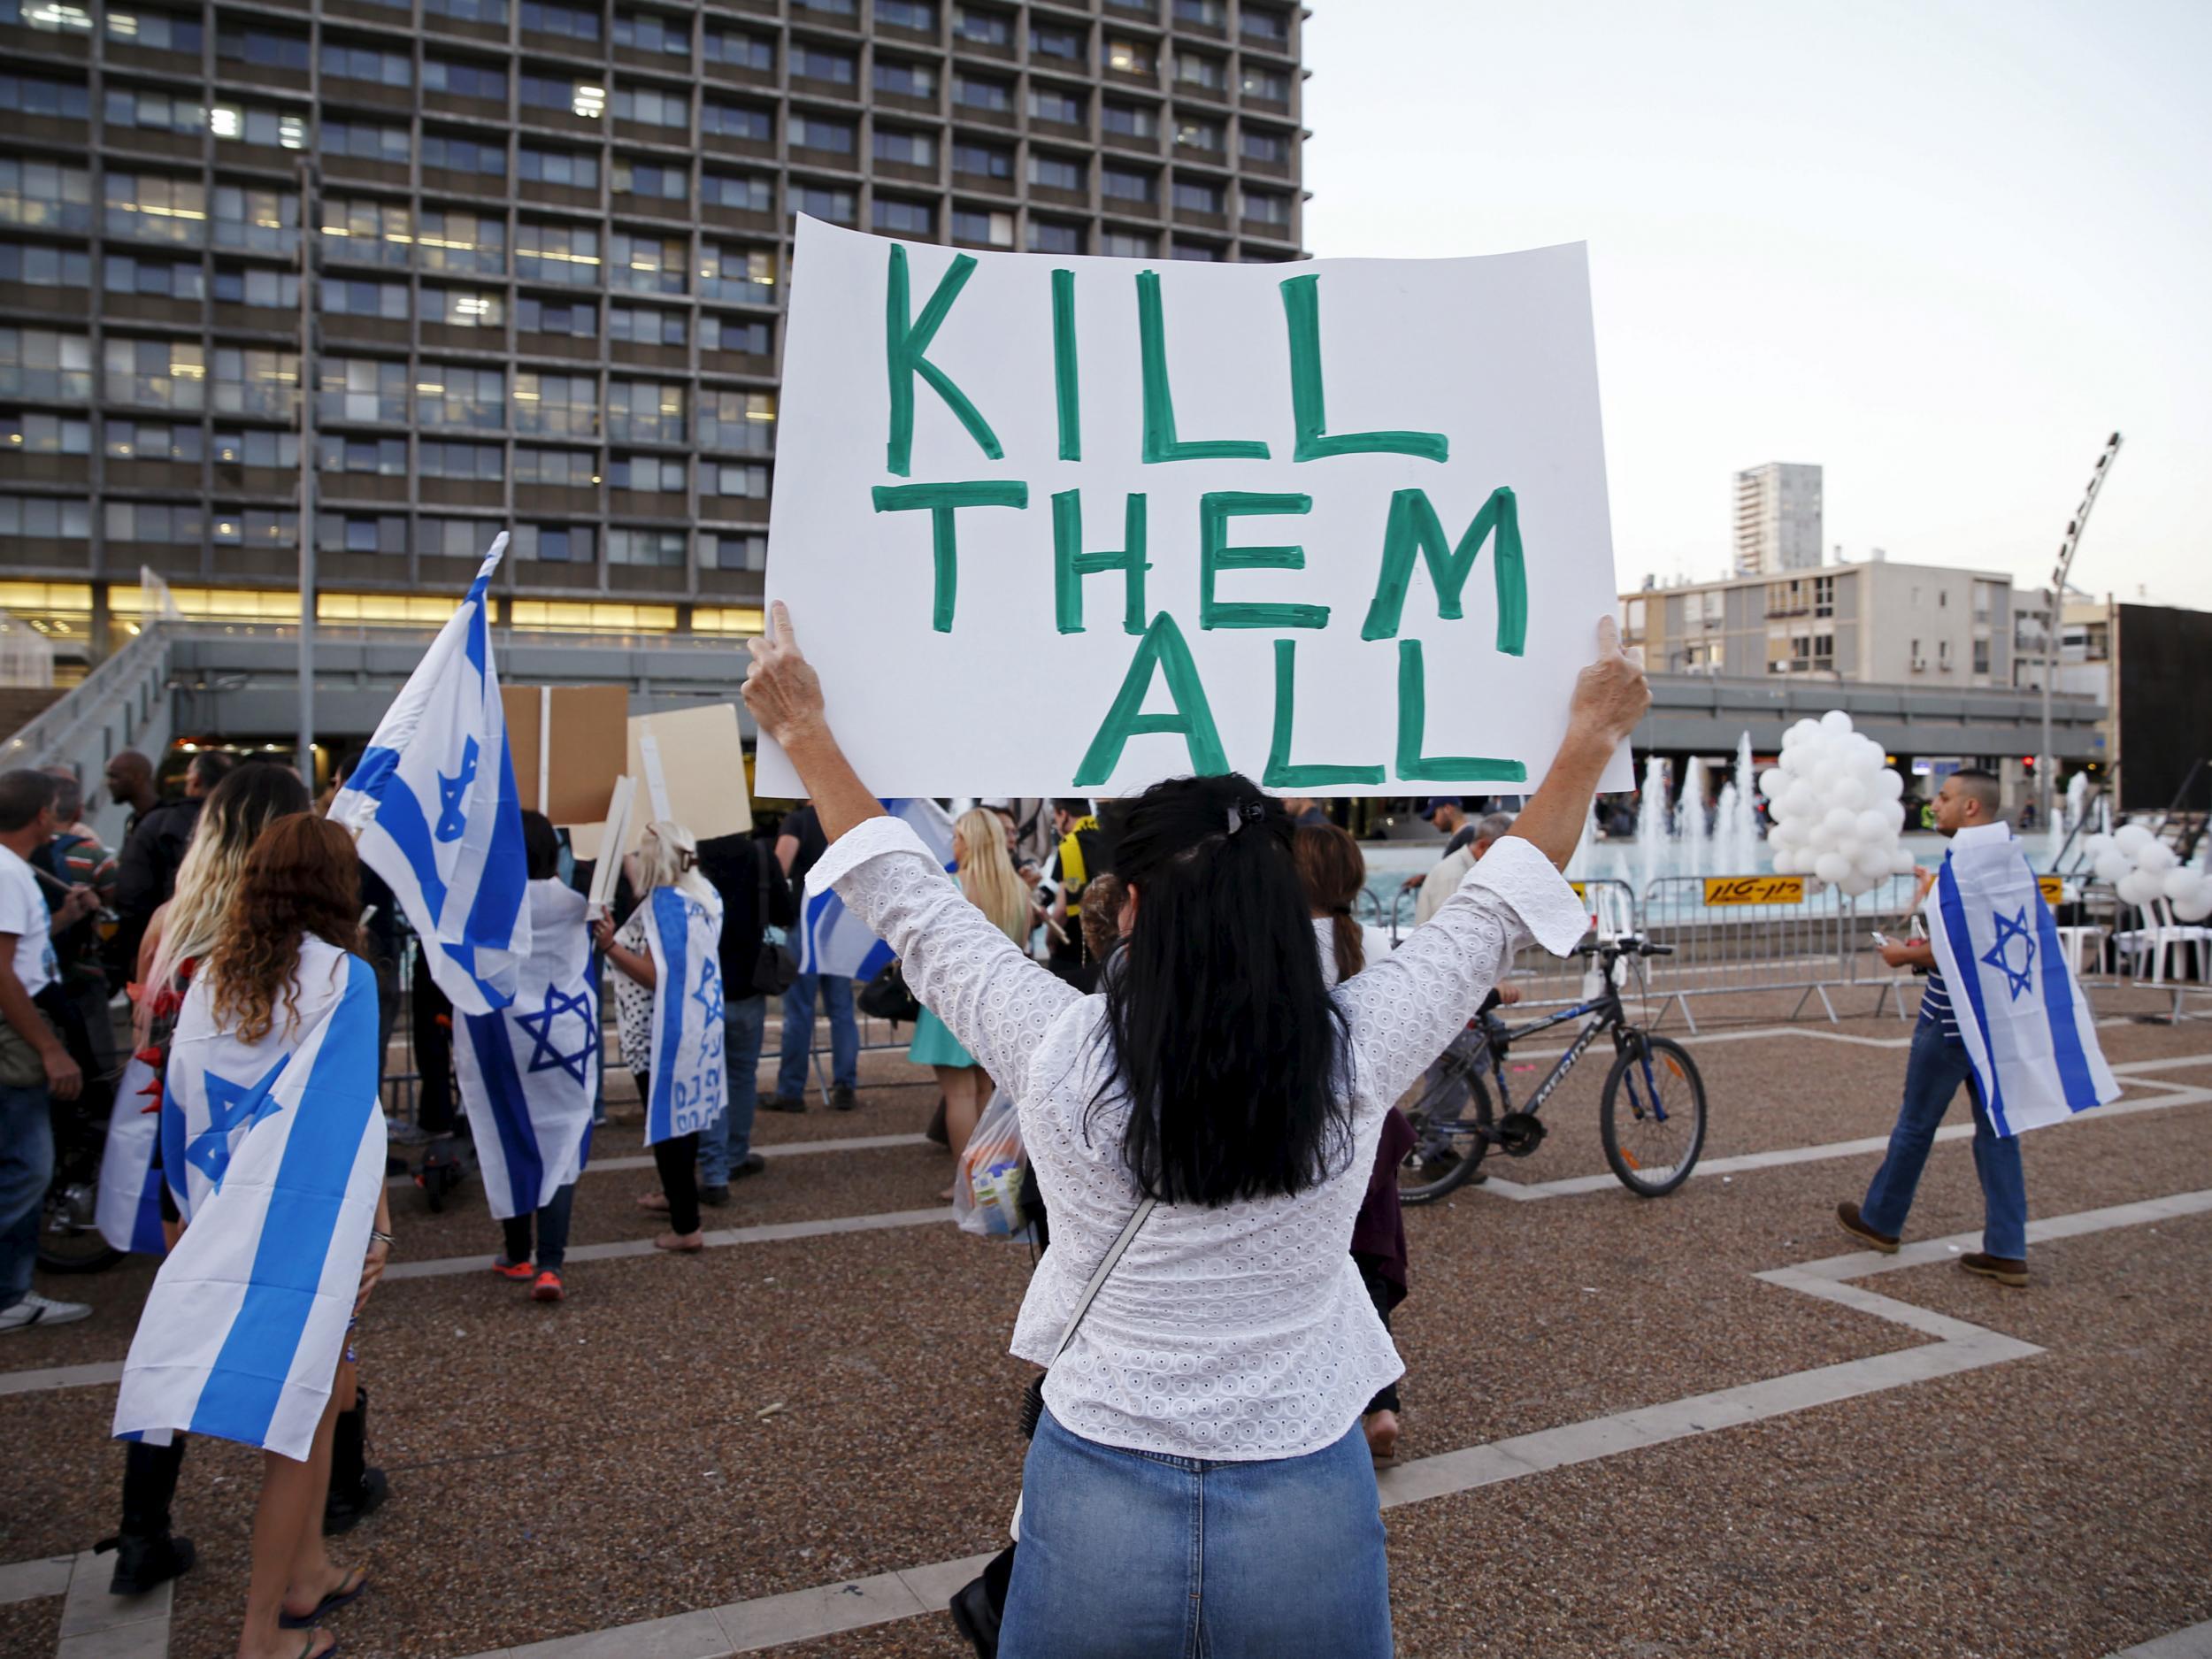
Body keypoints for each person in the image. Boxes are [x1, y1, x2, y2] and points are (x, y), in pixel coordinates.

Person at [741, 603, 1647, 1658]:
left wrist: (803, 728)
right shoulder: (1355, 1047)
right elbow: (1497, 904)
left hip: (1097, 1471)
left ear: (1125, 910)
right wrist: (1589, 737)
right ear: (1283, 905)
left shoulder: (1055, 1043)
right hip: (1304, 1464)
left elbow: (906, 898)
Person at [114, 811, 392, 1659]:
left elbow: (183, 1107)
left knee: (322, 1400)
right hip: (308, 1226)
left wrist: (192, 1217)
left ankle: (305, 1568)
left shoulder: (211, 977)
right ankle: (260, 1631)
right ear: (337, 886)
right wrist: (377, 1232)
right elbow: (354, 1117)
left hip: (223, 1215)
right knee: (303, 1420)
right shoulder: (345, 975)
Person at [100, 764, 346, 1590]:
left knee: (178, 1327)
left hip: (187, 1156)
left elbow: (149, 1039)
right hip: (274, 1167)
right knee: (322, 1327)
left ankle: (142, 1529)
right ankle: (337, 1491)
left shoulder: (175, 923)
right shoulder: (287, 938)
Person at [1839, 768, 2031, 1286]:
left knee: (1916, 1124)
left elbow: (1955, 947)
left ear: (1971, 807)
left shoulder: (1966, 862)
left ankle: (1882, 1220)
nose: (1935, 806)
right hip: (1998, 1017)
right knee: (1999, 1132)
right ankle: (2009, 1248)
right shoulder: (2010, 857)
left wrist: (1903, 955)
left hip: (1950, 1018)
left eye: (1944, 798)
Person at [1294, 825, 1415, 1466]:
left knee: (1317, 1264)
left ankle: (1330, 1402)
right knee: (1369, 1264)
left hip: (1309, 1127)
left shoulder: (1275, 947)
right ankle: (1382, 1403)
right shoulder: (1371, 940)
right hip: (1374, 1125)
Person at [463, 812, 597, 1301]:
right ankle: (551, 1265)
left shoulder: (490, 907)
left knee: (510, 1134)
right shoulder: (577, 904)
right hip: (564, 1036)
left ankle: (516, 1253)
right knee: (560, 1140)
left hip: (503, 1040)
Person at [595, 821, 727, 1253]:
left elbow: (656, 975)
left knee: (670, 1130)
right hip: (698, 1028)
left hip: (661, 1034)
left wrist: (612, 947)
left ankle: (686, 1226)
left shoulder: (663, 904)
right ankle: (677, 1198)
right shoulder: (704, 896)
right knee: (683, 1124)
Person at [0, 770, 99, 1335]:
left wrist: (64, 916)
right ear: (43, 815)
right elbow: (5, 972)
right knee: (27, 1167)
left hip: (22, 1022)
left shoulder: (12, 873)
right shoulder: (10, 874)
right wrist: (48, 1048)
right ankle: (10, 1293)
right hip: (18, 1031)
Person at [912, 809, 1035, 1194]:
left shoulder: (950, 888)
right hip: (1000, 1001)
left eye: (958, 837)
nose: (954, 844)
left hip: (953, 1000)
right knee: (985, 1094)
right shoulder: (1019, 890)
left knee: (959, 1095)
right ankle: (990, 1182)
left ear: (968, 842)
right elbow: (1024, 948)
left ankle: (968, 1185)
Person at [695, 826, 795, 1202]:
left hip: (701, 986)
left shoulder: (694, 853)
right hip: (749, 983)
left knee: (706, 1078)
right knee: (740, 1076)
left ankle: (712, 1164)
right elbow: (786, 912)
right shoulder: (759, 855)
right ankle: (734, 1155)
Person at [768, 801, 858, 1113]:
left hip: (805, 926)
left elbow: (780, 866)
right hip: (839, 926)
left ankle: (791, 1090)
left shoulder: (798, 821)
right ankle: (845, 1085)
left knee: (799, 1012)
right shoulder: (844, 817)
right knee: (842, 1011)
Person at [113, 749, 235, 976]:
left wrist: (136, 955)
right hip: (228, 953)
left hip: (166, 953)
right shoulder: (242, 826)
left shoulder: (158, 824)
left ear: (195, 781)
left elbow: (131, 895)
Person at [1041, 798, 1106, 988]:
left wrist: (1050, 938)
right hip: (1104, 943)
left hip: (1074, 947)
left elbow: (1062, 909)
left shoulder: (1071, 846)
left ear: (1063, 814)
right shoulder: (1106, 837)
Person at [1414, 810, 1518, 926]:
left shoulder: (1462, 870)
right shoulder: (1454, 875)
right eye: (1503, 853)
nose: (1506, 860)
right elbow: (1449, 928)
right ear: (1482, 846)